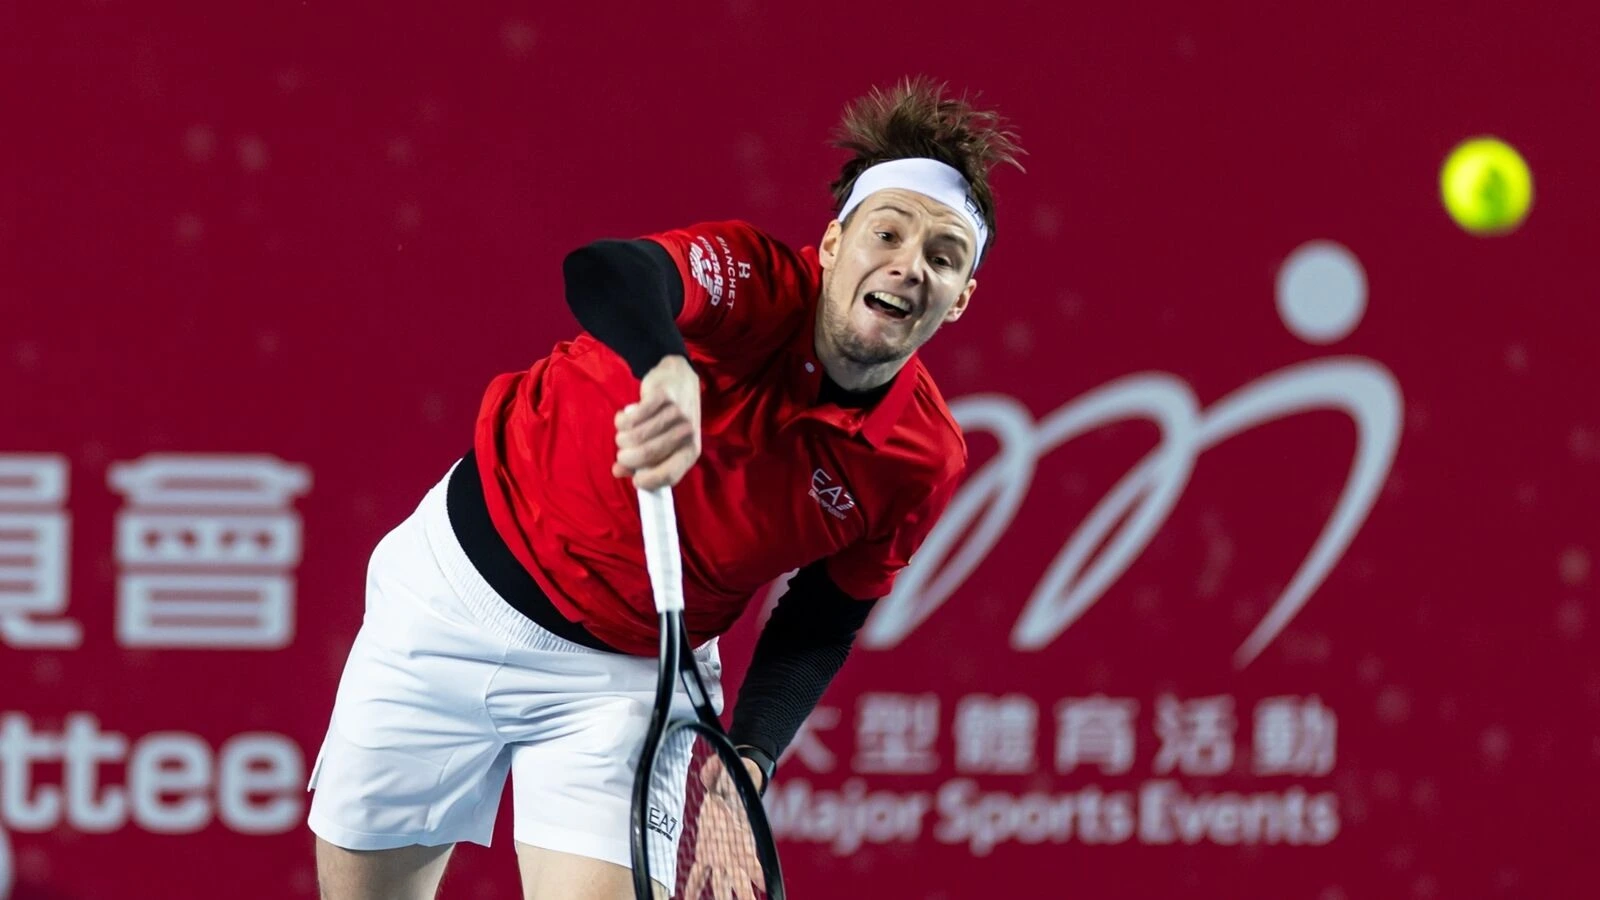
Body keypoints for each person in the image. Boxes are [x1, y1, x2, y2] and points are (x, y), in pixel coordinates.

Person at [307, 76, 1023, 900]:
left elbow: (827, 612)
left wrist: (749, 752)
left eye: (942, 257)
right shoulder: (751, 283)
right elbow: (611, 271)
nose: (908, 266)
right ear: (831, 246)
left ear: (961, 298)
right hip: (448, 605)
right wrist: (668, 363)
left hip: (627, 689)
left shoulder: (918, 457)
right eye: (886, 234)